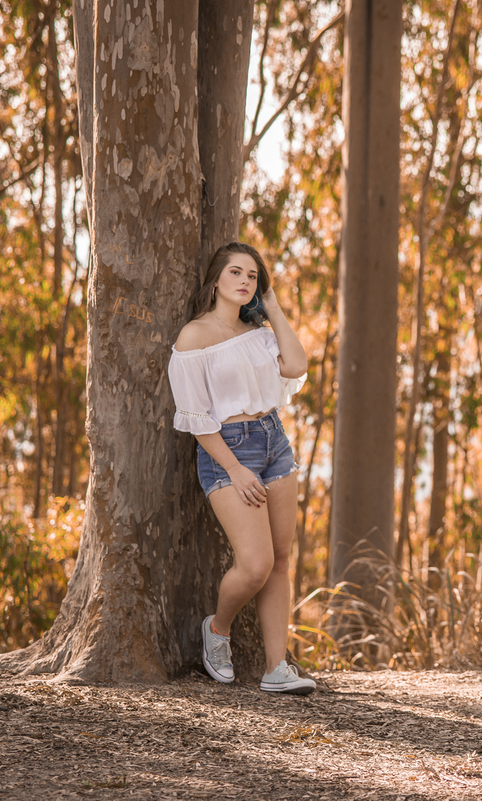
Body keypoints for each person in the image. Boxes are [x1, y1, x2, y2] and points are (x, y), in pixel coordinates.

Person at [167, 241, 316, 695]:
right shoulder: (194, 337)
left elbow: (296, 364)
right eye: (236, 272)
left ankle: (276, 668)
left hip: (274, 443)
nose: (244, 281)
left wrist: (270, 304)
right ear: (216, 279)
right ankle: (219, 628)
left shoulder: (260, 333)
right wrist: (234, 469)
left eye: (252, 276)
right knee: (255, 565)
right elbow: (196, 418)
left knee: (281, 560)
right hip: (228, 451)